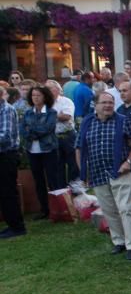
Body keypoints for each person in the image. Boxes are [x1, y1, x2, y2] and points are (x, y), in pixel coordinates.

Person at [76, 91, 131, 260]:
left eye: (111, 103)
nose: (108, 106)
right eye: (104, 102)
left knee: (126, 209)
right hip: (97, 173)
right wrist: (84, 171)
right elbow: (79, 148)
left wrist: (128, 162)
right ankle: (119, 242)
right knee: (109, 210)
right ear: (95, 105)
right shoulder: (87, 123)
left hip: (120, 172)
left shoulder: (123, 121)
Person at [21, 85, 60, 219]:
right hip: (32, 150)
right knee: (38, 181)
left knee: (52, 179)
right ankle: (44, 209)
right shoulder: (27, 113)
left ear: (45, 97)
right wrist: (32, 133)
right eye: (33, 95)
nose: (35, 98)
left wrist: (32, 131)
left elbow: (47, 129)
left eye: (38, 95)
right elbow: (23, 130)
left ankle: (57, 208)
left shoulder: (51, 112)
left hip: (48, 149)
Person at [0, 85, 26, 238]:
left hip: (6, 155)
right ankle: (11, 224)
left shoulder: (6, 110)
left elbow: (5, 136)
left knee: (8, 191)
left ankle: (17, 227)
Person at [45, 80, 77, 187]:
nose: (47, 91)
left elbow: (66, 117)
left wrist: (50, 115)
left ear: (58, 90)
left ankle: (75, 187)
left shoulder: (66, 101)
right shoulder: (44, 104)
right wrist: (58, 115)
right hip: (52, 136)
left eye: (50, 88)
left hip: (67, 135)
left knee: (73, 162)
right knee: (57, 164)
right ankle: (61, 190)